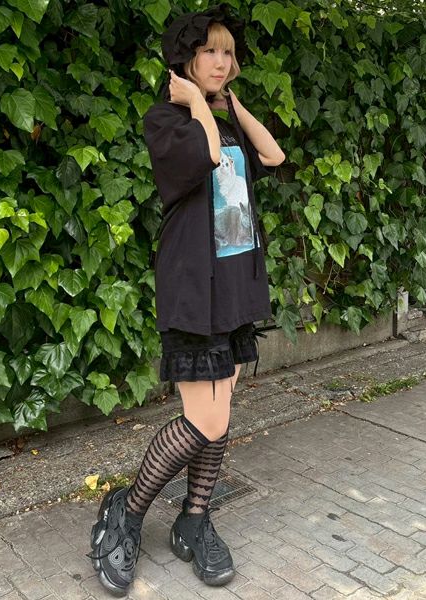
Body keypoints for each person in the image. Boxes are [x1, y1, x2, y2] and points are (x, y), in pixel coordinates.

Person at [88, 5, 285, 596]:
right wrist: (199, 103)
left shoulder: (221, 119)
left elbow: (272, 156)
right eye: (209, 52)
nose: (222, 62)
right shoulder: (166, 121)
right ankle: (125, 512)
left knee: (219, 414)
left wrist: (230, 106)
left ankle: (194, 519)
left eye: (228, 52)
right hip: (194, 286)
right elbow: (207, 156)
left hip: (234, 284)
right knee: (206, 419)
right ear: (185, 61)